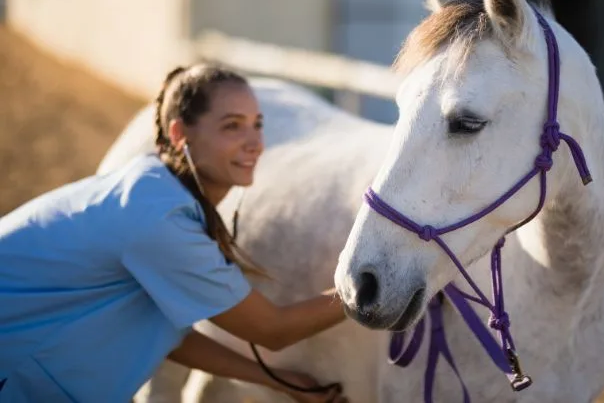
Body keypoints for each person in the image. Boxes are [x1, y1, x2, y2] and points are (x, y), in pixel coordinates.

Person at [0, 63, 349, 403]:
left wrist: (275, 381)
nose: (255, 143)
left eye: (257, 125)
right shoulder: (159, 220)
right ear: (180, 134)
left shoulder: (155, 191)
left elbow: (167, 336)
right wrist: (368, 284)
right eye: (232, 126)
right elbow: (272, 329)